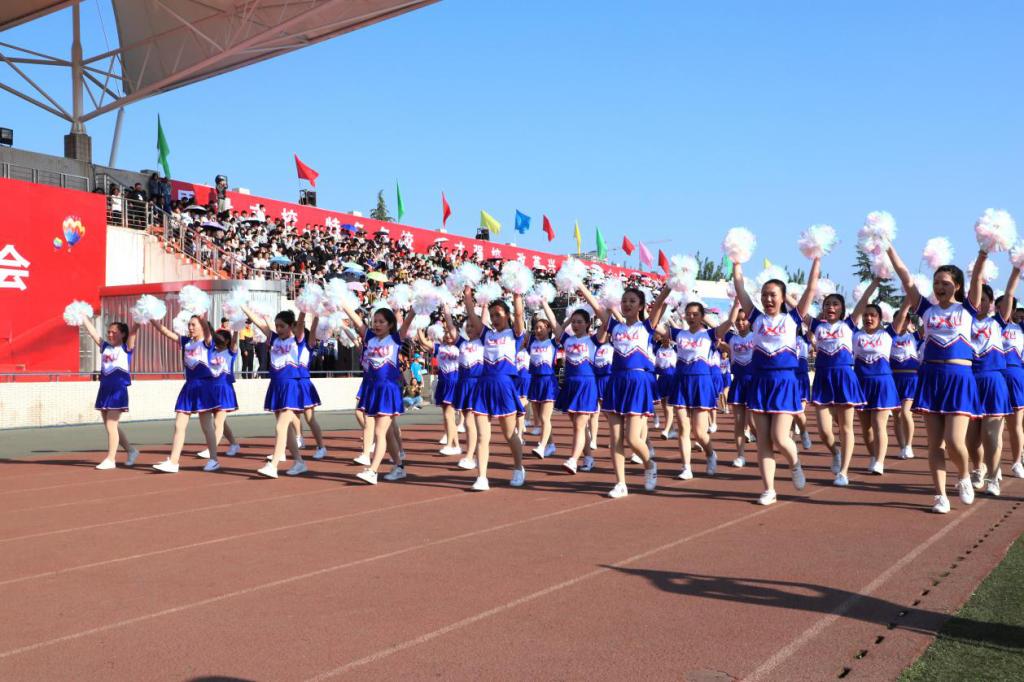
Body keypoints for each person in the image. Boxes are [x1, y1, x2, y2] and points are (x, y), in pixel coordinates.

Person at [887, 243, 981, 513]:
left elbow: (977, 278)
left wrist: (983, 253)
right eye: (936, 282)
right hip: (931, 378)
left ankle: (964, 476)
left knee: (954, 440)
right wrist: (889, 248)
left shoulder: (967, 309)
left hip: (959, 378)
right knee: (935, 443)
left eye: (946, 283)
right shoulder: (926, 309)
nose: (940, 286)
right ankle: (940, 495)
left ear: (957, 287)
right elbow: (905, 277)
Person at [731, 254, 820, 505]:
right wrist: (737, 262)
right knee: (763, 441)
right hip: (760, 382)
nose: (768, 299)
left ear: (782, 298)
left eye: (773, 295)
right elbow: (740, 288)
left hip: (784, 382)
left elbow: (810, 289)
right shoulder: (756, 318)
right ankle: (769, 489)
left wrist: (816, 258)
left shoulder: (792, 318)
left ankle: (795, 463)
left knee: (780, 438)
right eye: (764, 295)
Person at [594, 285, 668, 498]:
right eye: (624, 300)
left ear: (641, 306)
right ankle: (620, 483)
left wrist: (670, 285)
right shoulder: (614, 327)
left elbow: (659, 303)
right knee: (615, 437)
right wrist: (577, 283)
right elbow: (596, 306)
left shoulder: (646, 327)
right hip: (616, 381)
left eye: (632, 301)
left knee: (633, 438)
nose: (627, 304)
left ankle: (649, 464)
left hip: (637, 382)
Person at [339, 300, 415, 484]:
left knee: (380, 432)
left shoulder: (395, 338)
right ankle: (399, 467)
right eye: (375, 321)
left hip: (388, 389)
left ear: (390, 324)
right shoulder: (370, 338)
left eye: (381, 322)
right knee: (386, 434)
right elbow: (357, 321)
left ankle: (372, 471)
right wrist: (342, 303)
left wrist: (414, 309)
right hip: (373, 388)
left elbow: (406, 322)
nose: (377, 324)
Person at [464, 286, 528, 491]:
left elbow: (519, 314)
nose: (494, 318)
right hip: (484, 386)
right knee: (483, 436)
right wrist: (467, 294)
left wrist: (517, 294)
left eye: (498, 314)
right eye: (492, 315)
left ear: (507, 315)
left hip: (505, 386)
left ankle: (518, 467)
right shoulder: (486, 334)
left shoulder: (515, 334)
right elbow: (471, 314)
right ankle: (482, 477)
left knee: (509, 434)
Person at [665, 301, 735, 480]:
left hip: (701, 382)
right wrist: (664, 303)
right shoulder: (678, 333)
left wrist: (735, 303)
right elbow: (653, 325)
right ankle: (686, 467)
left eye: (695, 314)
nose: (691, 317)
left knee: (699, 432)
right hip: (681, 381)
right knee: (683, 428)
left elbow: (729, 323)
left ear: (702, 316)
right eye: (688, 313)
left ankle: (710, 454)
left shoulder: (709, 334)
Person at [966, 267, 1018, 496]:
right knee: (971, 439)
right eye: (976, 299)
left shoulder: (997, 322)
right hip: (969, 382)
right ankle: (978, 468)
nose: (980, 303)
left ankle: (993, 477)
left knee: (991, 434)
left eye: (985, 300)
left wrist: (1015, 269)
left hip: (993, 381)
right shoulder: (962, 321)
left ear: (990, 304)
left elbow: (1009, 294)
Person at [809, 285, 868, 486]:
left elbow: (863, 302)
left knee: (846, 427)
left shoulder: (848, 324)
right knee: (823, 430)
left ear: (842, 308)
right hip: (823, 377)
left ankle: (843, 471)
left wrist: (876, 280)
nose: (831, 307)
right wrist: (791, 296)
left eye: (835, 304)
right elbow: (798, 310)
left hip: (844, 376)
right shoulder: (816, 325)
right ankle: (835, 452)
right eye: (827, 304)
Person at [240, 307, 307, 478]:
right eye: (277, 326)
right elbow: (258, 322)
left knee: (281, 426)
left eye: (282, 326)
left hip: (291, 386)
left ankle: (273, 465)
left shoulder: (297, 339)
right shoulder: (274, 338)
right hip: (276, 385)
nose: (278, 329)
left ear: (291, 326)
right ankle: (299, 462)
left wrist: (304, 309)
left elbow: (300, 323)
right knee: (286, 429)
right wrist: (243, 307)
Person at [541, 293, 603, 474]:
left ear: (588, 324)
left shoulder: (594, 340)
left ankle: (573, 460)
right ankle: (589, 457)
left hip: (586, 385)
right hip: (570, 385)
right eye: (573, 321)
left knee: (579, 425)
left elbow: (606, 323)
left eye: (579, 322)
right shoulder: (567, 340)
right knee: (577, 425)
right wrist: (544, 302)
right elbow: (554, 323)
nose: (575, 325)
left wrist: (606, 306)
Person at [150, 313, 221, 473]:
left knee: (206, 426)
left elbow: (207, 332)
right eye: (189, 324)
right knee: (179, 424)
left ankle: (214, 459)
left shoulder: (207, 342)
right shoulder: (186, 342)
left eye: (193, 324)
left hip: (204, 386)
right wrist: (152, 319)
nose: (190, 327)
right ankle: (173, 462)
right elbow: (166, 332)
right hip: (189, 386)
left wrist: (202, 317)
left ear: (202, 326)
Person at [851, 287, 901, 477]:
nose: (868, 318)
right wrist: (873, 285)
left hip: (882, 384)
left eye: (873, 315)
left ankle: (880, 461)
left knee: (879, 424)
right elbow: (860, 305)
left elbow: (904, 310)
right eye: (866, 315)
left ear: (880, 319)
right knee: (866, 428)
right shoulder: (854, 335)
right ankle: (873, 455)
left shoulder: (887, 335)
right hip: (861, 384)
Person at [80, 316, 141, 469]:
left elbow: (134, 331)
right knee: (111, 426)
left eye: (114, 332)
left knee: (111, 424)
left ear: (123, 334)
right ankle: (131, 450)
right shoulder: (105, 347)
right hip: (104, 390)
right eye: (108, 332)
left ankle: (111, 459)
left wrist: (140, 317)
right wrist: (83, 317)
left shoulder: (126, 348)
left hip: (118, 390)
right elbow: (93, 333)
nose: (110, 334)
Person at [445, 307, 484, 471]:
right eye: (467, 326)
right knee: (469, 422)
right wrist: (446, 310)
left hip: (478, 384)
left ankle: (473, 455)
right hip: (464, 384)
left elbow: (483, 322)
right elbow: (451, 327)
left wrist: (484, 306)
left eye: (472, 325)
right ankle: (472, 455)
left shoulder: (483, 342)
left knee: (476, 422)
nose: (469, 328)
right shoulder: (462, 343)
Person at [723, 301, 755, 467]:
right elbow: (715, 325)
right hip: (738, 382)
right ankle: (740, 455)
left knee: (754, 423)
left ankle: (765, 448)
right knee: (739, 422)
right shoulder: (731, 338)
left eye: (744, 319)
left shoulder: (757, 335)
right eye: (738, 320)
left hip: (754, 382)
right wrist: (735, 306)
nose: (741, 323)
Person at [525, 314, 560, 459]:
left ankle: (542, 446)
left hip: (548, 382)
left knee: (545, 417)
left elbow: (559, 329)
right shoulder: (531, 342)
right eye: (536, 328)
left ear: (549, 329)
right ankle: (551, 445)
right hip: (535, 381)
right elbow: (520, 328)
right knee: (541, 418)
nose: (538, 330)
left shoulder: (553, 343)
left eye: (541, 327)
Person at [889, 314, 921, 460]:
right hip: (893, 378)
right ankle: (902, 446)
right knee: (896, 415)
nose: (900, 323)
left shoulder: (915, 336)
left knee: (905, 412)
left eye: (903, 320)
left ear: (908, 322)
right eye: (897, 320)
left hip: (910, 378)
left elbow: (927, 326)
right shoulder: (888, 336)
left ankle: (909, 445)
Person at [653, 333, 678, 439]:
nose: (665, 340)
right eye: (663, 338)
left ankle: (666, 430)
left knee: (669, 407)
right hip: (662, 379)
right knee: (664, 406)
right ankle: (671, 430)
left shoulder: (675, 349)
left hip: (672, 379)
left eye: (667, 338)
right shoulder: (657, 349)